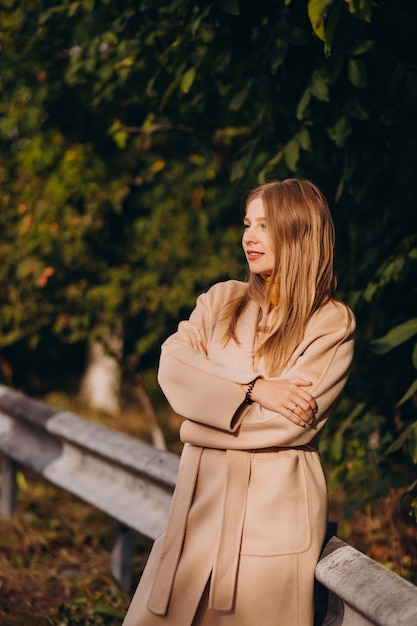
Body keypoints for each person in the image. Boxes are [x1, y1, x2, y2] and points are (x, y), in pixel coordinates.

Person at [123, 178, 355, 626]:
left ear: (299, 232)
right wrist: (253, 387)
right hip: (200, 503)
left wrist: (198, 417)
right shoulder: (221, 299)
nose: (249, 236)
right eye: (247, 223)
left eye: (264, 225)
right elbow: (172, 368)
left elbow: (289, 425)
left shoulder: (330, 322)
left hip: (272, 513)